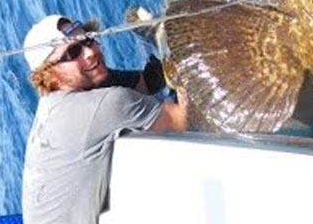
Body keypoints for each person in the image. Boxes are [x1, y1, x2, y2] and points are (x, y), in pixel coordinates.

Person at [21, 14, 188, 224]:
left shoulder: (57, 100)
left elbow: (144, 85)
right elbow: (180, 120)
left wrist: (160, 44)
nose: (89, 53)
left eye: (88, 40)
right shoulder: (102, 105)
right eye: (73, 52)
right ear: (48, 73)